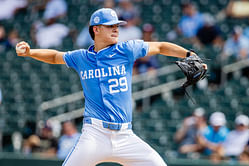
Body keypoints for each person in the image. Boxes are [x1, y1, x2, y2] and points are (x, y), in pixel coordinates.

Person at [16, 8, 207, 166]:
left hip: (125, 135)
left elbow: (161, 46)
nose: (116, 29)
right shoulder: (81, 57)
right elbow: (55, 56)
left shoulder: (126, 50)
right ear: (96, 29)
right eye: (110, 26)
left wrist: (188, 54)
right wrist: (30, 52)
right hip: (95, 135)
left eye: (117, 25)